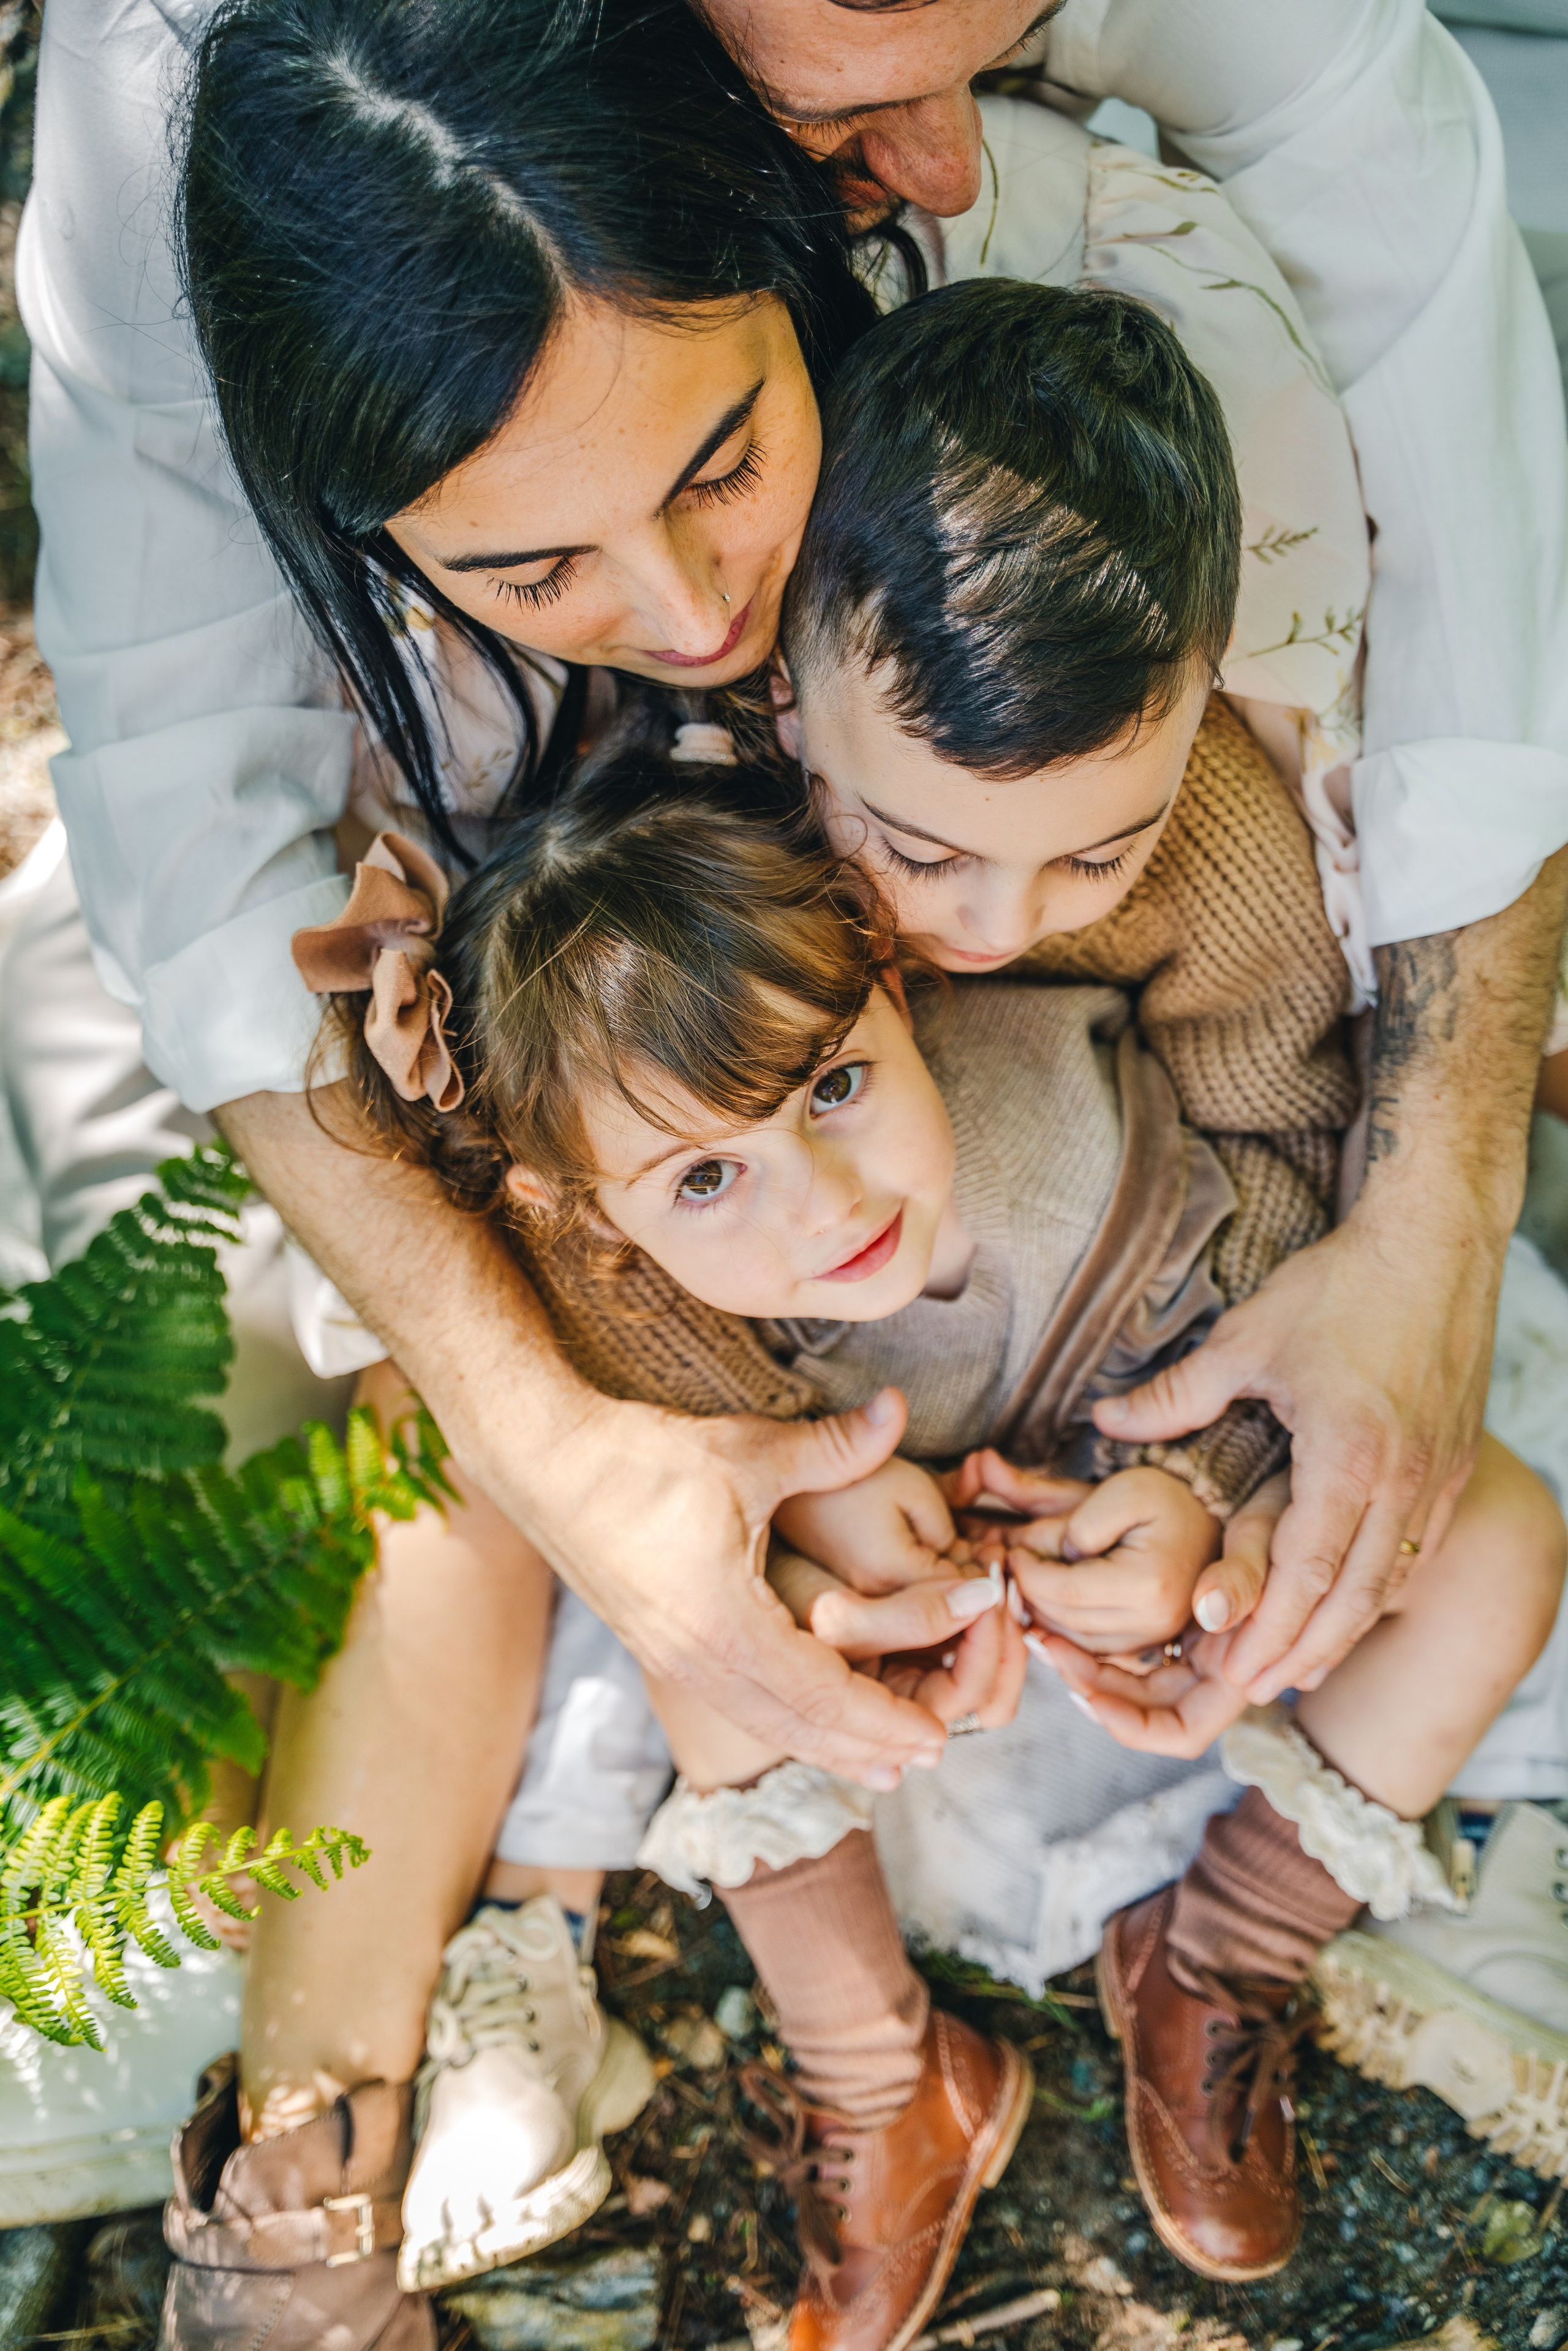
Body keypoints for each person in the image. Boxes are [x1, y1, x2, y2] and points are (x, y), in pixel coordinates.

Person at [20, 0, 1567, 1792]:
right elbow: (191, 825)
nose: (690, 621)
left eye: (727, 462)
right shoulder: (158, 155)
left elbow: (1468, 500)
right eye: (528, 564)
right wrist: (558, 1447)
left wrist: (1438, 1218)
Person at [311, 738, 1561, 2301]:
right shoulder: (627, 1291)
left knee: (1499, 1534)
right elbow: (666, 1409)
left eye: (835, 1084)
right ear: (596, 1221)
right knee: (702, 1643)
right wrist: (820, 1513)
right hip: (932, 1590)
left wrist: (1208, 1490)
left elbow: (1277, 1183)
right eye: (705, 1181)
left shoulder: (1040, 1038)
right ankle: (881, 2074)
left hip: (1172, 1467)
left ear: (893, 987)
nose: (824, 1202)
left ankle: (1219, 1948)